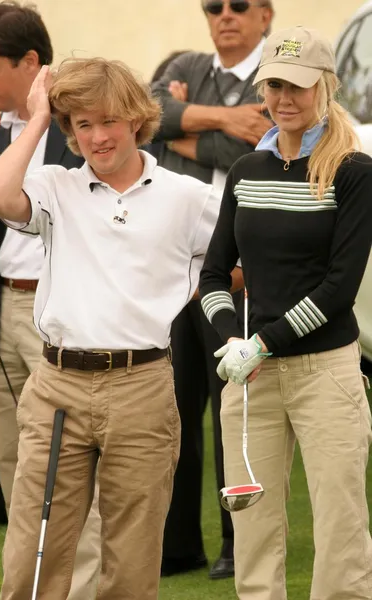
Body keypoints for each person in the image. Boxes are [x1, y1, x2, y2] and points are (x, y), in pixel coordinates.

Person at [0, 56, 223, 600]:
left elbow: (242, 256)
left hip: (142, 387)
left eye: (108, 120)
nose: (97, 137)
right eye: (82, 124)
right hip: (57, 387)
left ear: (136, 119)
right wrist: (40, 116)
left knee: (131, 562)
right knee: (32, 554)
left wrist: (203, 286)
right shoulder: (54, 185)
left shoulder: (187, 197)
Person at [199, 25, 372, 600]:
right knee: (252, 526)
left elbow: (337, 289)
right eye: (273, 85)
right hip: (250, 376)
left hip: (325, 371)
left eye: (297, 86)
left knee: (341, 521)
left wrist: (262, 341)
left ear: (325, 87)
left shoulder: (353, 171)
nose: (283, 99)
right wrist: (231, 337)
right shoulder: (248, 172)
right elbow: (214, 275)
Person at [0, 3, 101, 598]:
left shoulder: (82, 123)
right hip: (1, 314)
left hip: (60, 321)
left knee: (71, 477)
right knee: (17, 472)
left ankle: (79, 590)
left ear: (30, 61)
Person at [152, 0, 274, 579]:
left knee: (235, 411)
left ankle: (235, 541)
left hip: (242, 273)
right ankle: (177, 547)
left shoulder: (277, 72)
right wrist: (224, 119)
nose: (225, 13)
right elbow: (147, 116)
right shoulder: (185, 62)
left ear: (265, 14)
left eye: (239, 4)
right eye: (212, 5)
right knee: (172, 411)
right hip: (180, 271)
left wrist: (184, 129)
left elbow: (265, 153)